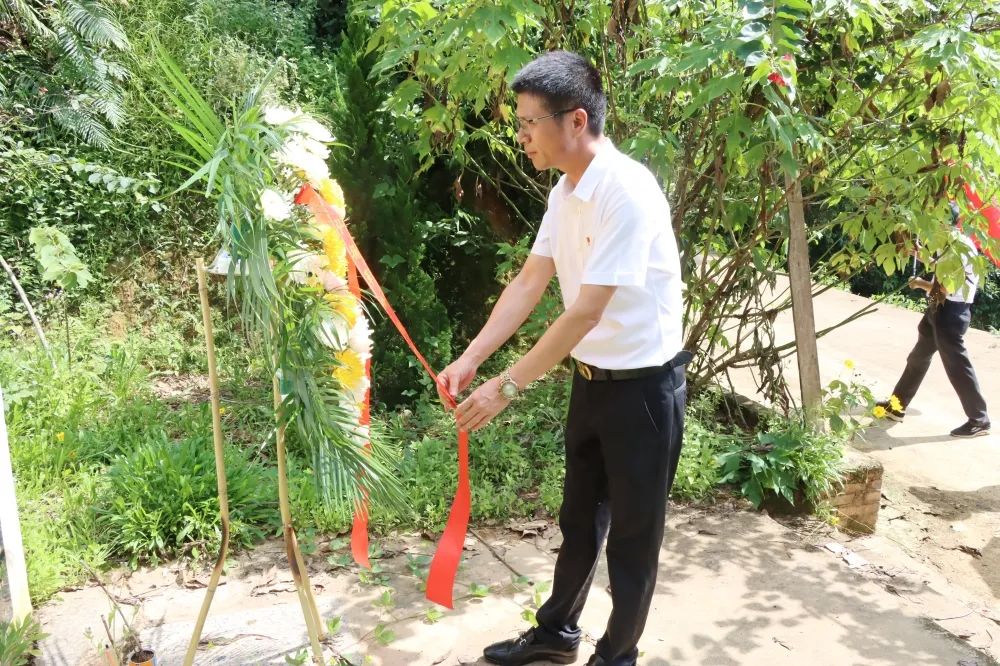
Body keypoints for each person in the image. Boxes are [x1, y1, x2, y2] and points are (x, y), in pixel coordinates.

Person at [436, 51, 689, 666]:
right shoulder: (566, 190)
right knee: (578, 521)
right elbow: (530, 280)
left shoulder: (626, 192)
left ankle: (617, 655)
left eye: (530, 123)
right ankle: (557, 635)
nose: (521, 136)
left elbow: (584, 313)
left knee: (633, 541)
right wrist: (472, 358)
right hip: (592, 381)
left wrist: (506, 386)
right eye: (520, 123)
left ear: (576, 120)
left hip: (645, 392)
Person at [878, 204, 991, 438]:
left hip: (951, 314)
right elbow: (941, 269)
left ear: (944, 223)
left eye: (934, 219)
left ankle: (979, 420)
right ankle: (897, 405)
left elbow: (945, 288)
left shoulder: (959, 249)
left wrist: (920, 284)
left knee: (957, 368)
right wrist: (921, 256)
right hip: (938, 310)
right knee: (918, 357)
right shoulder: (949, 242)